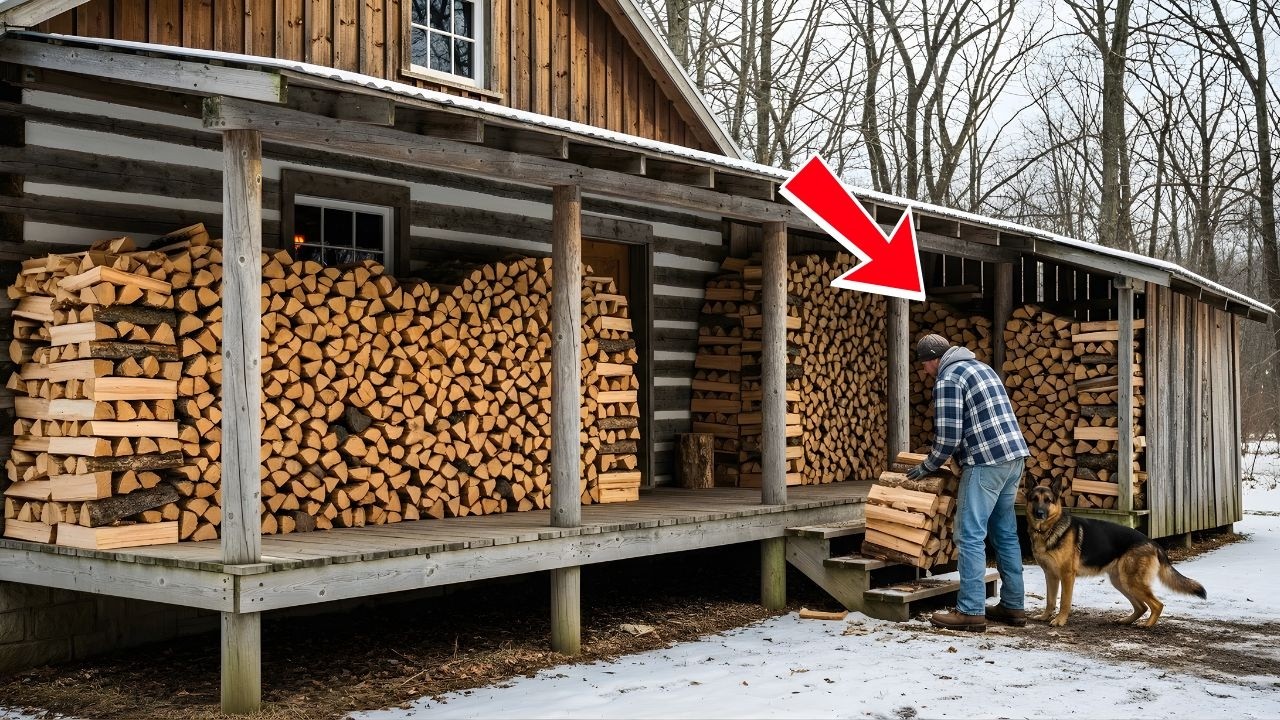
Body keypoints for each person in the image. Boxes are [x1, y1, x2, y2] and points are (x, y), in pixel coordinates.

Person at [907, 333, 1030, 632]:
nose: (924, 371)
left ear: (933, 359)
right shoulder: (982, 368)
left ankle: (971, 611)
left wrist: (929, 465)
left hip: (986, 462)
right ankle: (1014, 606)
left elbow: (949, 436)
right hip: (1014, 458)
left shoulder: (949, 378)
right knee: (1005, 534)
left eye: (924, 364)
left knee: (969, 535)